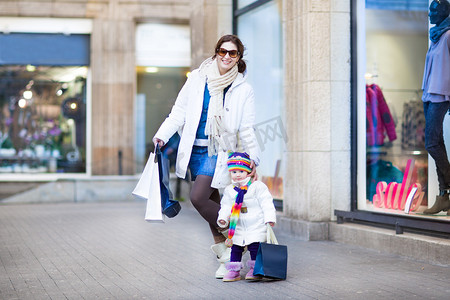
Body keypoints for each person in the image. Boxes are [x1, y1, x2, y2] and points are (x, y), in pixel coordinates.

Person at [152, 35, 260, 278]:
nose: (226, 57)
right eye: (223, 51)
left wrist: (254, 157)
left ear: (238, 58)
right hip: (194, 150)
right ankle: (226, 258)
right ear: (216, 52)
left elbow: (247, 128)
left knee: (198, 198)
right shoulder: (198, 78)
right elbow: (178, 112)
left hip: (218, 151)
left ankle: (244, 238)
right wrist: (162, 135)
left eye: (233, 53)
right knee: (214, 202)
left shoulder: (243, 89)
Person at [217, 152, 276, 282]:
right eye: (234, 172)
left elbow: (266, 202)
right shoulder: (230, 190)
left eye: (241, 171)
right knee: (236, 248)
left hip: (255, 223)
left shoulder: (257, 186)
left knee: (254, 246)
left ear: (248, 171)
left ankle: (255, 268)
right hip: (237, 225)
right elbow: (226, 205)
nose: (237, 175)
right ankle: (234, 270)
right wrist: (223, 218)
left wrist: (269, 218)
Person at [421, 0, 450, 215]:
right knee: (437, 143)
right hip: (429, 95)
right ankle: (443, 196)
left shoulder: (448, 36)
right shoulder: (436, 36)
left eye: (434, 11)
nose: (430, 15)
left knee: (431, 143)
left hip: (441, 96)